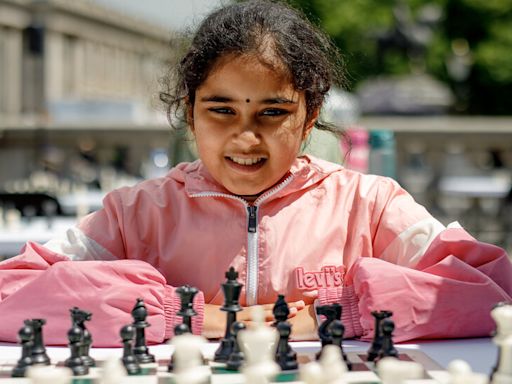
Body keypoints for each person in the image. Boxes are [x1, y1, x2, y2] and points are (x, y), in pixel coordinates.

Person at [0, 0, 511, 347]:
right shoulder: (135, 213)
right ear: (189, 110)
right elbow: (10, 293)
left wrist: (347, 312)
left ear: (310, 116)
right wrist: (185, 316)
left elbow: (493, 288)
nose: (246, 139)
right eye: (222, 111)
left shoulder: (370, 205)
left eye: (272, 113)